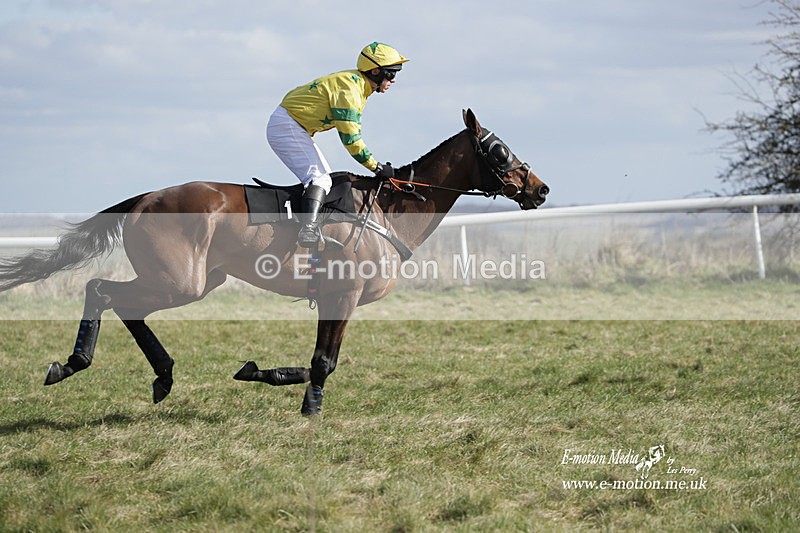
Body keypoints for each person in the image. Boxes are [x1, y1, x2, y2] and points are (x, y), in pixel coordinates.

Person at [266, 42, 409, 247]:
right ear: (376, 71)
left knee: (325, 180)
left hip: (292, 125)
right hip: (287, 126)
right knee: (320, 179)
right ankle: (308, 231)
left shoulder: (358, 84)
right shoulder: (350, 90)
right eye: (391, 74)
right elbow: (351, 139)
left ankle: (313, 227)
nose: (394, 80)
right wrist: (376, 167)